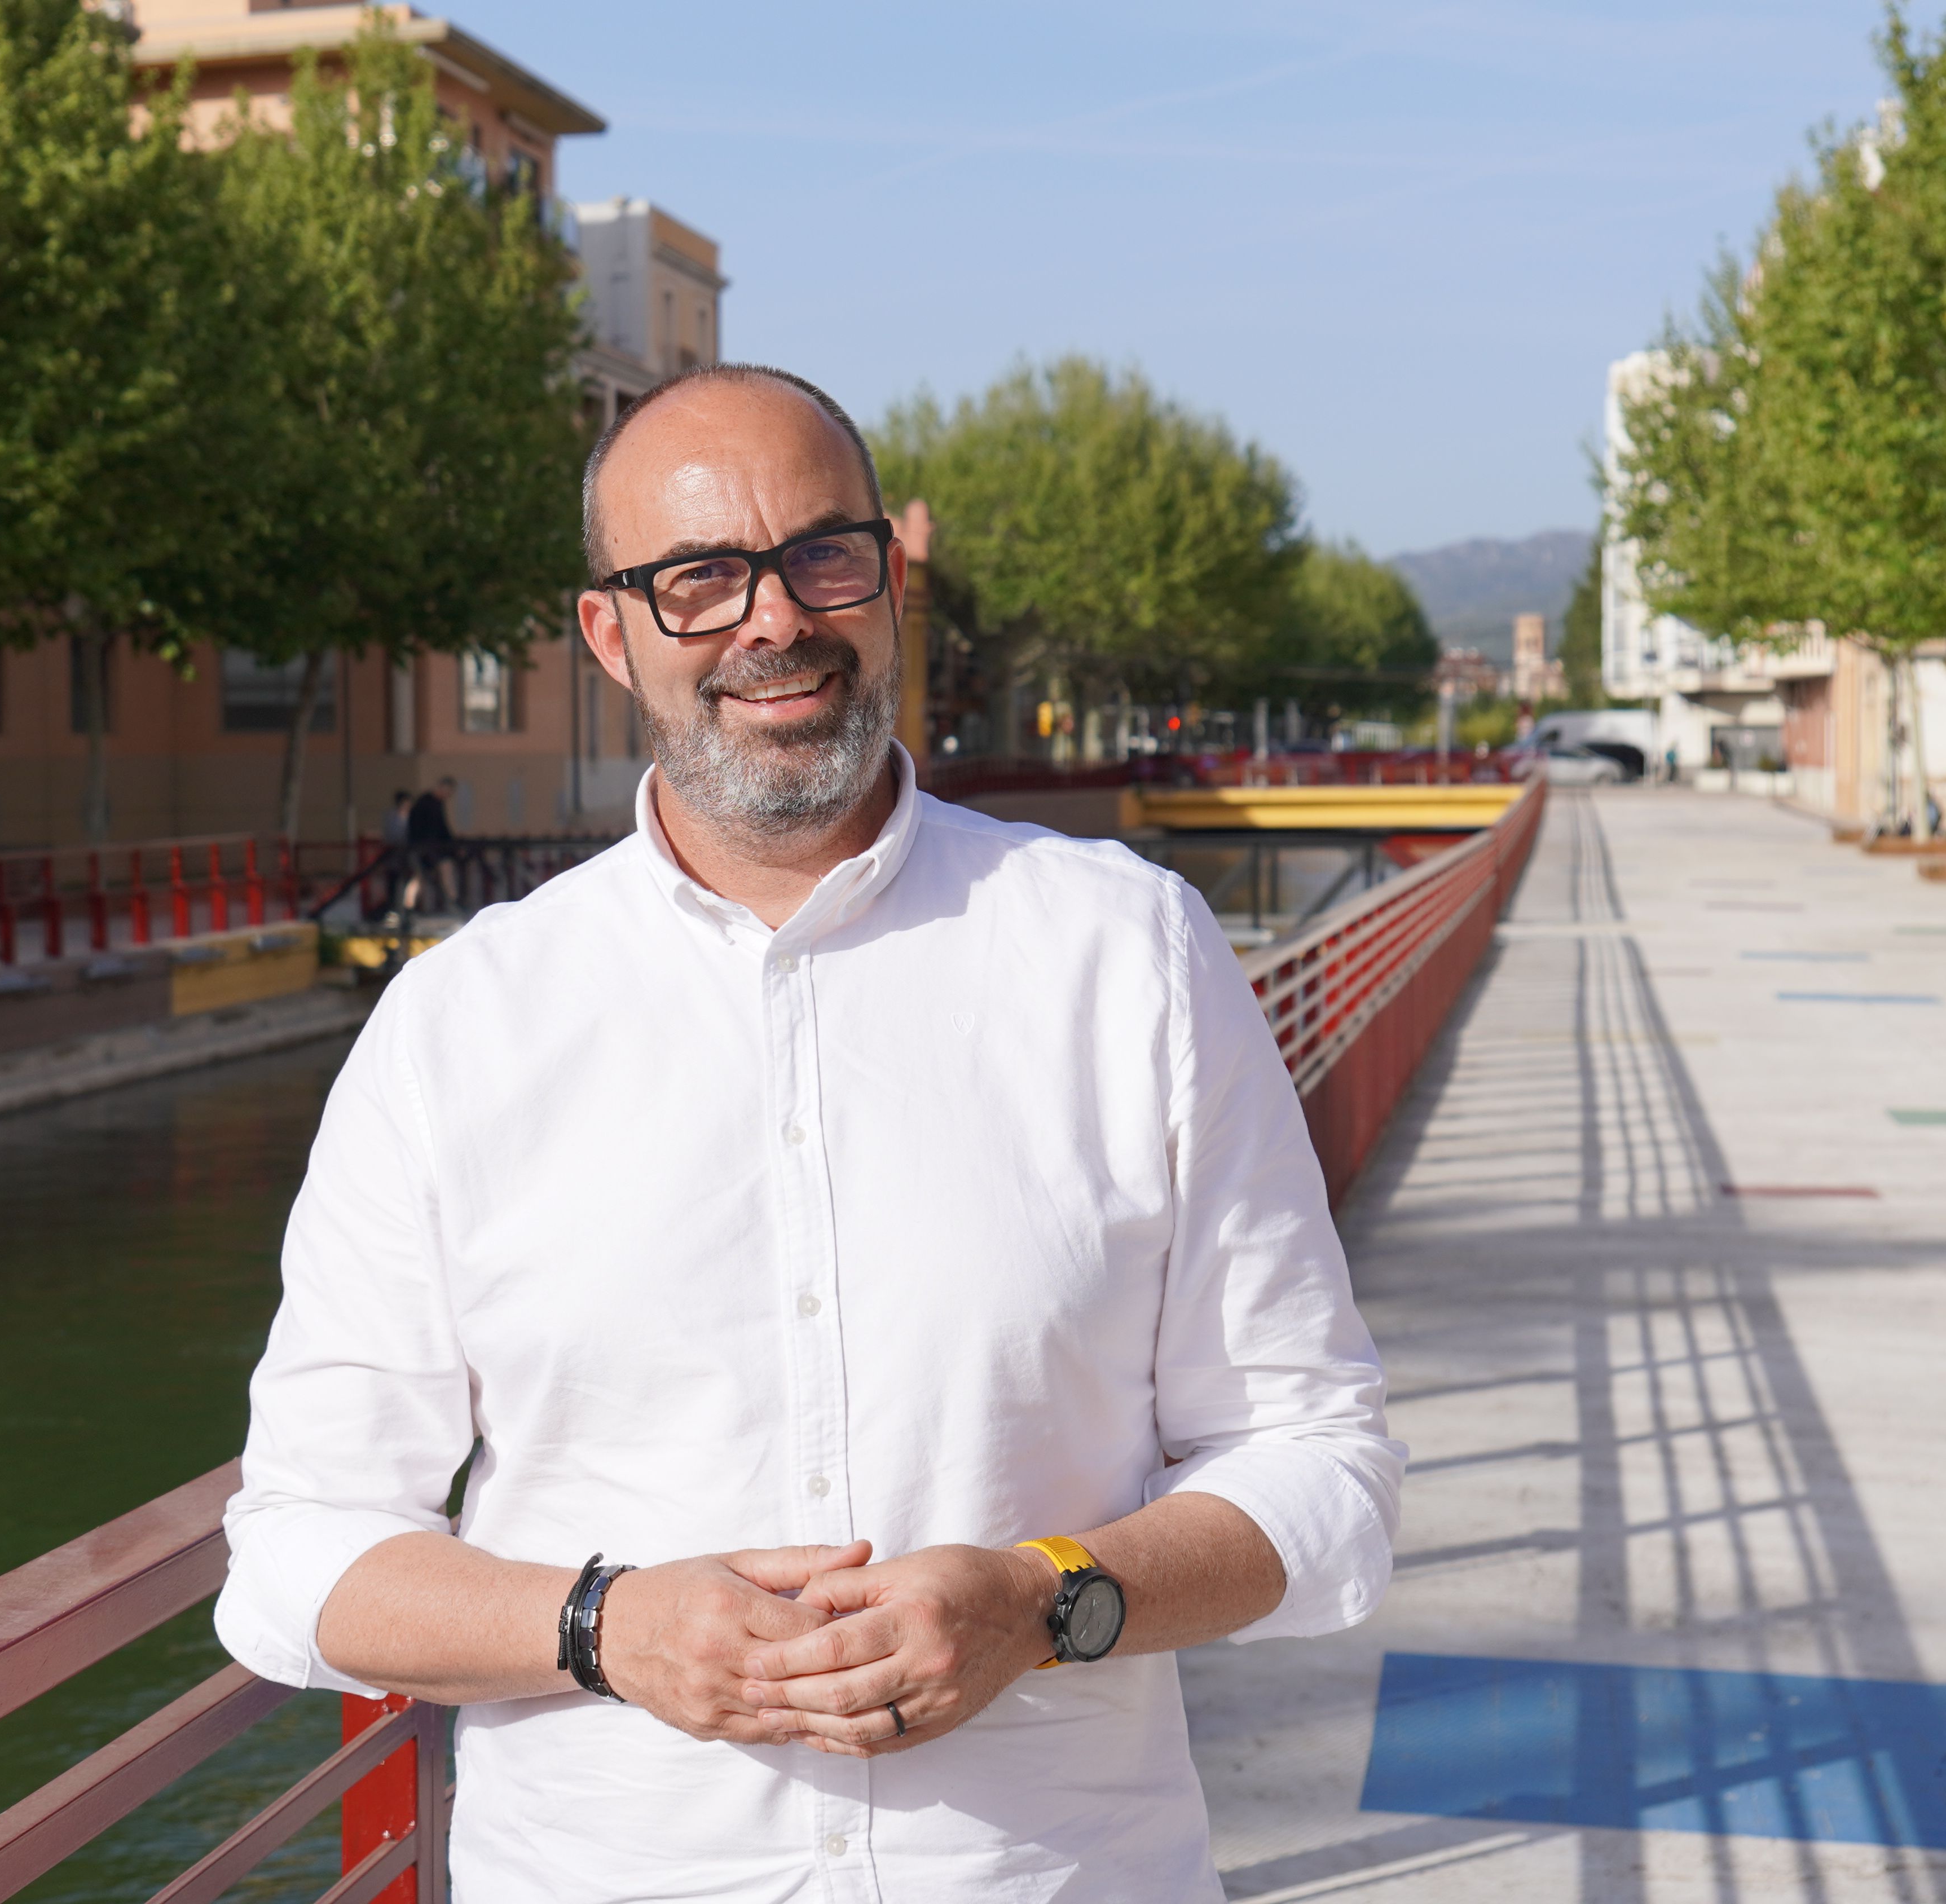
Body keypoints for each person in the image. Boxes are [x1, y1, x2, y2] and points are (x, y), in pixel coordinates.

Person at [216, 365, 1400, 1900]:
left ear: (889, 583)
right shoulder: (458, 1029)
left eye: (820, 557)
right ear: (610, 636)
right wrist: (601, 1625)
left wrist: (1044, 1601)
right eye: (698, 579)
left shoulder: (1135, 957)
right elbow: (295, 1553)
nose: (772, 620)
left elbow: (1323, 1471)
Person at [399, 774, 459, 912]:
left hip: (433, 849)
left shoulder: (437, 804)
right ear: (442, 788)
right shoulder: (424, 803)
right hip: (421, 848)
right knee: (418, 878)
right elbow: (419, 828)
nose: (448, 796)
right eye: (448, 792)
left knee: (444, 870)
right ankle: (408, 908)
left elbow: (443, 829)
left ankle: (453, 901)